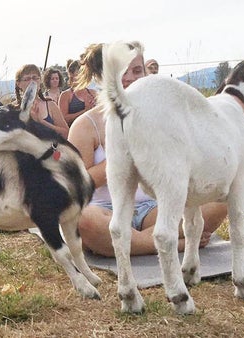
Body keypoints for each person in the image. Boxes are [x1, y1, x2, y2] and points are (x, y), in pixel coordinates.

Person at [68, 42, 227, 257]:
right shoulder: (86, 125)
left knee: (220, 201)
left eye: (137, 70)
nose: (131, 78)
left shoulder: (162, 117)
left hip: (154, 208)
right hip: (104, 210)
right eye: (123, 71)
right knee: (84, 221)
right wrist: (122, 157)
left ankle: (132, 243)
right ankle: (166, 243)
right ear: (105, 76)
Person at [14, 64, 69, 138]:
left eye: (35, 78)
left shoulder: (50, 105)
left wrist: (41, 122)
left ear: (40, 81)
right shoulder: (12, 109)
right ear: (19, 84)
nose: (32, 82)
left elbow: (66, 133)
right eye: (27, 79)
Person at [58, 59, 97, 126]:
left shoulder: (93, 93)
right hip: (73, 133)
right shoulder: (66, 95)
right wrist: (84, 111)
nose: (82, 76)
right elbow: (63, 119)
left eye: (84, 74)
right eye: (79, 73)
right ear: (71, 74)